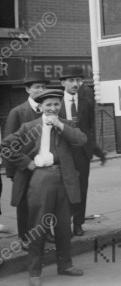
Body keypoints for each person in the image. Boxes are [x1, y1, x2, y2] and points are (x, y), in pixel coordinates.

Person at [1, 89, 87, 286]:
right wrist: (25, 162)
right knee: (37, 227)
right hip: (40, 179)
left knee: (63, 226)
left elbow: (81, 140)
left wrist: (59, 124)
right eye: (48, 105)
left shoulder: (66, 125)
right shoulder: (29, 127)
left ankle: (65, 265)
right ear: (40, 107)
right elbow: (5, 146)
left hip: (64, 180)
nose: (53, 108)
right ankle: (35, 272)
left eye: (57, 104)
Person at [4, 71, 49, 248]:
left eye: (43, 87)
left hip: (45, 166)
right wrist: (12, 171)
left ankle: (45, 235)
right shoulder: (17, 112)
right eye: (37, 87)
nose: (40, 90)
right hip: (24, 167)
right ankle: (25, 239)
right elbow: (8, 144)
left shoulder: (48, 110)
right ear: (27, 89)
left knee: (44, 202)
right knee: (24, 204)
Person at [58, 68, 96, 237]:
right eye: (71, 80)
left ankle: (78, 223)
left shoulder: (86, 102)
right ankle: (63, 224)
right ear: (63, 83)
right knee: (63, 189)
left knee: (81, 188)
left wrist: (90, 149)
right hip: (63, 153)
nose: (75, 84)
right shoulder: (55, 102)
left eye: (78, 80)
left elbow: (90, 127)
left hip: (81, 153)